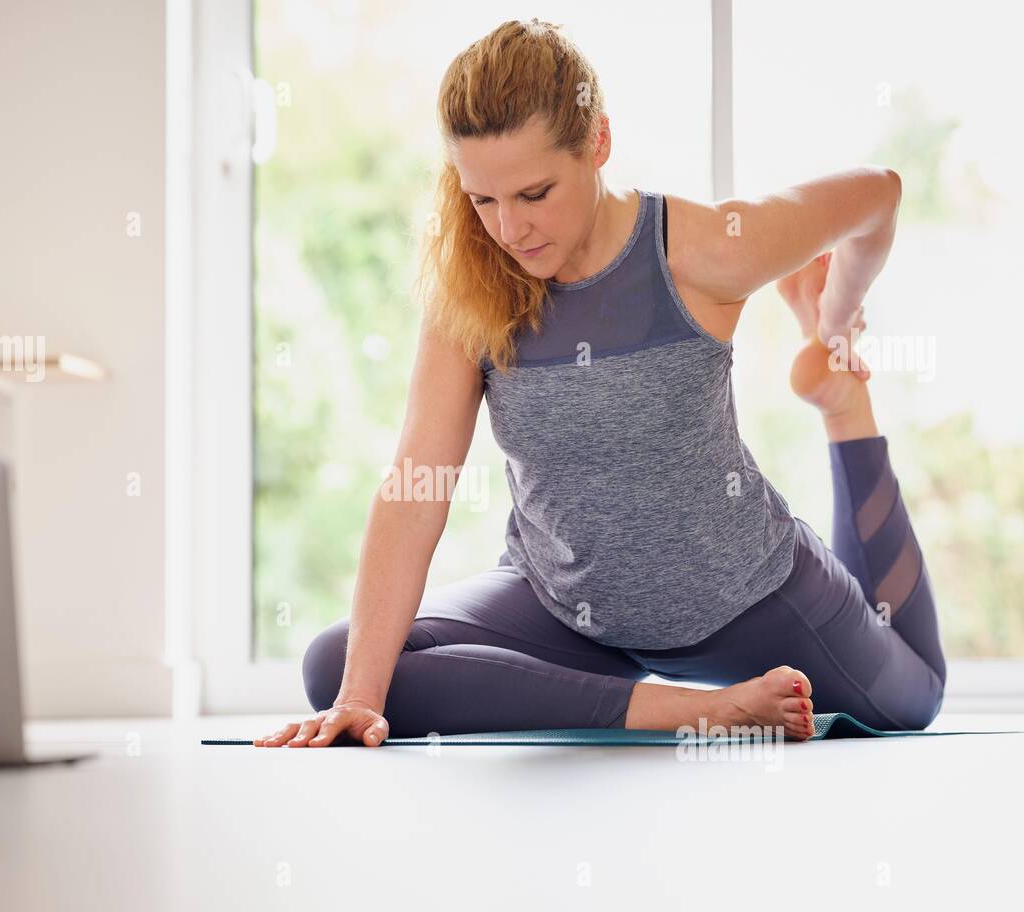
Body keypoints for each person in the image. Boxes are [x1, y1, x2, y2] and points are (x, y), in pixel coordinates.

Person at [257, 18, 945, 749]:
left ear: (598, 144)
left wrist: (833, 322)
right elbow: (417, 480)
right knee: (341, 665)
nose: (509, 229)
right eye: (482, 199)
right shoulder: (471, 287)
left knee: (912, 700)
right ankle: (675, 707)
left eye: (534, 192)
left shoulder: (707, 250)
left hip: (748, 602)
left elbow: (882, 194)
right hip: (561, 611)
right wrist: (358, 698)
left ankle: (844, 406)